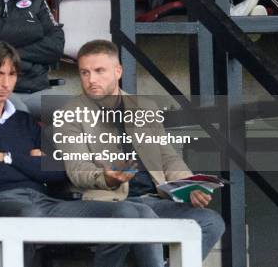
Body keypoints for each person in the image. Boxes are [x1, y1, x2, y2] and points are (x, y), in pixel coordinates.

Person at [0, 41, 166, 267]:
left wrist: (10, 158)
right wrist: (33, 163)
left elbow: (58, 170)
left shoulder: (24, 120)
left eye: (12, 74)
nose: (5, 83)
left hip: (45, 201)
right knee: (28, 215)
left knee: (126, 213)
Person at [55, 39, 225, 261]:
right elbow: (78, 168)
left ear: (118, 71)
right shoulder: (70, 113)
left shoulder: (145, 107)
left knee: (211, 222)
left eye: (99, 71)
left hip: (154, 199)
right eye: (84, 73)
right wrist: (108, 178)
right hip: (109, 200)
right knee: (143, 217)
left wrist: (188, 185)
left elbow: (168, 158)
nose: (91, 80)